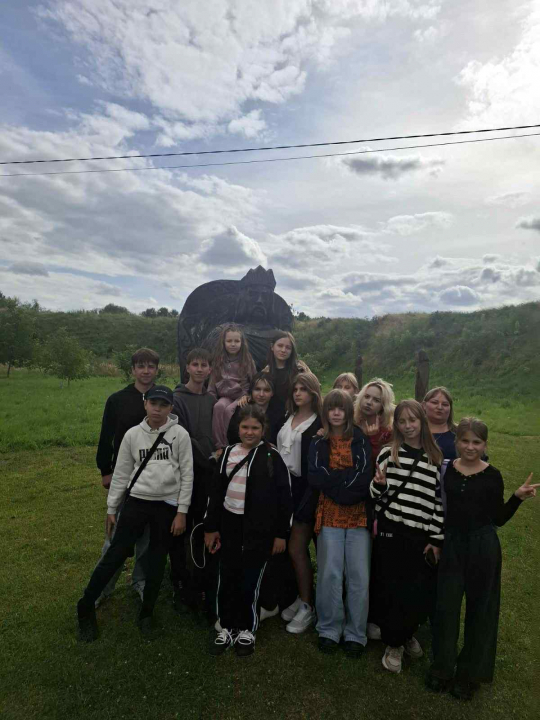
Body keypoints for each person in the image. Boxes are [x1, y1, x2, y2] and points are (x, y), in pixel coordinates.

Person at [426, 418, 538, 701]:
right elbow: (440, 508)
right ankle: (442, 667)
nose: (470, 447)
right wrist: (437, 541)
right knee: (446, 608)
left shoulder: (492, 476)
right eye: (465, 441)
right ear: (457, 442)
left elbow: (497, 518)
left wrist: (517, 498)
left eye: (476, 442)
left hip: (482, 546)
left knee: (481, 610)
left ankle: (469, 673)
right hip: (452, 545)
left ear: (485, 445)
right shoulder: (447, 470)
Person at [77, 386, 194, 641]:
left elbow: (187, 475)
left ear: (171, 408)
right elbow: (121, 473)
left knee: (156, 559)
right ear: (145, 404)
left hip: (166, 505)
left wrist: (182, 512)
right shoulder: (133, 435)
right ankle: (85, 606)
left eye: (163, 405)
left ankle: (146, 613)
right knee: (116, 553)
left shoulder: (180, 435)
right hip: (137, 501)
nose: (157, 409)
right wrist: (112, 508)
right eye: (153, 403)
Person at [204, 404, 293, 657]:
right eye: (245, 427)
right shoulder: (228, 453)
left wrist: (281, 534)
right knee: (227, 575)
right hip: (229, 524)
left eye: (255, 427)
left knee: (251, 578)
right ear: (238, 428)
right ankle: (226, 626)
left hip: (259, 529)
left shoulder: (271, 456)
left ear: (263, 429)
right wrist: (211, 528)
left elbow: (285, 498)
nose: (249, 432)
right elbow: (216, 493)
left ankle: (247, 628)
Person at [370, 399, 444, 674]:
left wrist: (435, 539)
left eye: (412, 420)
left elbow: (439, 503)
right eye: (402, 421)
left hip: (420, 534)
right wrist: (378, 485)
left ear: (422, 421)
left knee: (416, 589)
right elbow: (375, 495)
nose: (408, 426)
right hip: (392, 529)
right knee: (392, 587)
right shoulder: (389, 453)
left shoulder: (435, 458)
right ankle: (394, 643)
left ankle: (407, 631)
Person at [307, 389, 372, 656]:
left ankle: (356, 632)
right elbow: (316, 476)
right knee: (330, 573)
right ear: (325, 412)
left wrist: (338, 482)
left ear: (348, 412)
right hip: (329, 513)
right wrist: (342, 483)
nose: (336, 413)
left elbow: (364, 475)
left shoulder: (360, 439)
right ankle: (329, 628)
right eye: (331, 408)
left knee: (358, 575)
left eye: (341, 408)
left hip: (358, 515)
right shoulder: (318, 441)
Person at [94, 347, 159, 604]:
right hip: (125, 474)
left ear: (157, 370)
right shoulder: (117, 400)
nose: (146, 371)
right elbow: (106, 436)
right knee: (116, 535)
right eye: (141, 366)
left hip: (154, 476)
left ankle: (140, 580)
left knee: (147, 537)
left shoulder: (162, 398)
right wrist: (105, 470)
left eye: (150, 366)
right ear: (132, 370)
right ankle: (102, 586)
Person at [172, 348, 217, 618]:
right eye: (195, 364)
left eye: (204, 365)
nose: (200, 369)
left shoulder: (212, 399)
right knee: (183, 528)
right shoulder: (177, 399)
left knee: (202, 525)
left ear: (210, 369)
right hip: (188, 471)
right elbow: (183, 437)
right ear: (187, 367)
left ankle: (202, 581)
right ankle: (182, 583)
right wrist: (208, 459)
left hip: (209, 474)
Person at [277, 372, 323, 634]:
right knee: (289, 548)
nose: (298, 393)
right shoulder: (288, 416)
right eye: (295, 389)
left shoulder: (319, 423)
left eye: (303, 389)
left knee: (297, 547)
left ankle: (308, 606)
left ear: (313, 393)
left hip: (306, 490)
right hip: (285, 489)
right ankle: (301, 594)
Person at [353, 378, 395, 642]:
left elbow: (380, 466)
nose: (369, 402)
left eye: (376, 399)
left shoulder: (388, 431)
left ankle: (375, 614)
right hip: (352, 496)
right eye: (367, 397)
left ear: (383, 405)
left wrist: (373, 439)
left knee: (376, 557)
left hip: (377, 500)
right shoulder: (352, 423)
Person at [208, 324, 256, 451]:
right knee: (218, 407)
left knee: (229, 410)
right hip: (225, 395)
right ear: (223, 342)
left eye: (236, 341)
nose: (233, 344)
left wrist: (249, 396)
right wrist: (210, 397)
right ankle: (219, 445)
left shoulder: (247, 360)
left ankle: (227, 444)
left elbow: (254, 381)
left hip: (241, 396)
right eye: (229, 341)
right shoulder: (218, 360)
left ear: (242, 342)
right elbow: (213, 382)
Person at [228, 372, 284, 445]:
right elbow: (231, 436)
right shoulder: (242, 408)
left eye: (266, 390)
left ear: (272, 393)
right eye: (257, 389)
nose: (261, 394)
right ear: (251, 391)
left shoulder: (279, 413)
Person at [263, 331, 309, 418]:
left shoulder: (300, 369)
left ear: (292, 351)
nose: (283, 350)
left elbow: (314, 389)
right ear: (272, 347)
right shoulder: (266, 371)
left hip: (295, 415)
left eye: (288, 347)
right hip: (271, 417)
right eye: (280, 346)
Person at [423, 387, 457, 460]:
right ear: (424, 405)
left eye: (445, 404)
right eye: (434, 403)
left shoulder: (460, 433)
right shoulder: (414, 431)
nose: (440, 407)